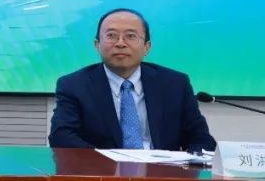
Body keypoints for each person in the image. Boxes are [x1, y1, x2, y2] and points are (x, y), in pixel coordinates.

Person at [49, 8, 216, 151]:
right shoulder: (74, 85)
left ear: (147, 47)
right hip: (103, 172)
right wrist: (107, 163)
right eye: (111, 36)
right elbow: (61, 136)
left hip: (161, 172)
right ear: (97, 45)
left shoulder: (175, 84)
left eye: (130, 36)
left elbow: (201, 139)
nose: (120, 43)